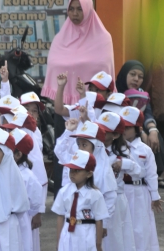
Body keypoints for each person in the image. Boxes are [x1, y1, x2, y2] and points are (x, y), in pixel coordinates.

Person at [41, 0, 114, 196]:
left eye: (79, 9)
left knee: (91, 151)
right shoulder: (60, 38)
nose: (74, 14)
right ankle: (63, 194)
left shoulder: (103, 38)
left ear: (88, 10)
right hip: (66, 108)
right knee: (64, 148)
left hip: (92, 109)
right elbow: (55, 63)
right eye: (71, 9)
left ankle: (94, 194)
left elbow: (104, 70)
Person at [52, 150, 109, 251]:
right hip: (69, 234)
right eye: (71, 170)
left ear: (89, 173)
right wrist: (59, 239)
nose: (72, 174)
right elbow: (60, 216)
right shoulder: (64, 192)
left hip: (86, 232)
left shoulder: (95, 195)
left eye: (77, 170)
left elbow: (99, 220)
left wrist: (98, 243)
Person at [94, 111, 142, 251]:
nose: (100, 133)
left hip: (115, 201)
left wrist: (124, 164)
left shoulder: (121, 153)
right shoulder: (94, 148)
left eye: (105, 131)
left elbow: (139, 170)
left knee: (115, 243)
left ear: (115, 135)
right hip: (96, 200)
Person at [120, 106, 164, 251]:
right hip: (122, 192)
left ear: (138, 128)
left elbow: (151, 174)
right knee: (123, 231)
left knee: (140, 232)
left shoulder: (144, 150)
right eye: (122, 127)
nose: (124, 131)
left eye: (128, 127)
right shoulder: (117, 149)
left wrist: (154, 196)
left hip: (140, 193)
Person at [116, 60, 164, 189]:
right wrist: (140, 131)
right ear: (125, 74)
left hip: (137, 126)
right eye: (132, 74)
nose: (136, 79)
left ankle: (155, 174)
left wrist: (152, 131)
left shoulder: (142, 94)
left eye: (140, 77)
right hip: (122, 127)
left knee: (155, 136)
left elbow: (148, 113)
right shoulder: (116, 93)